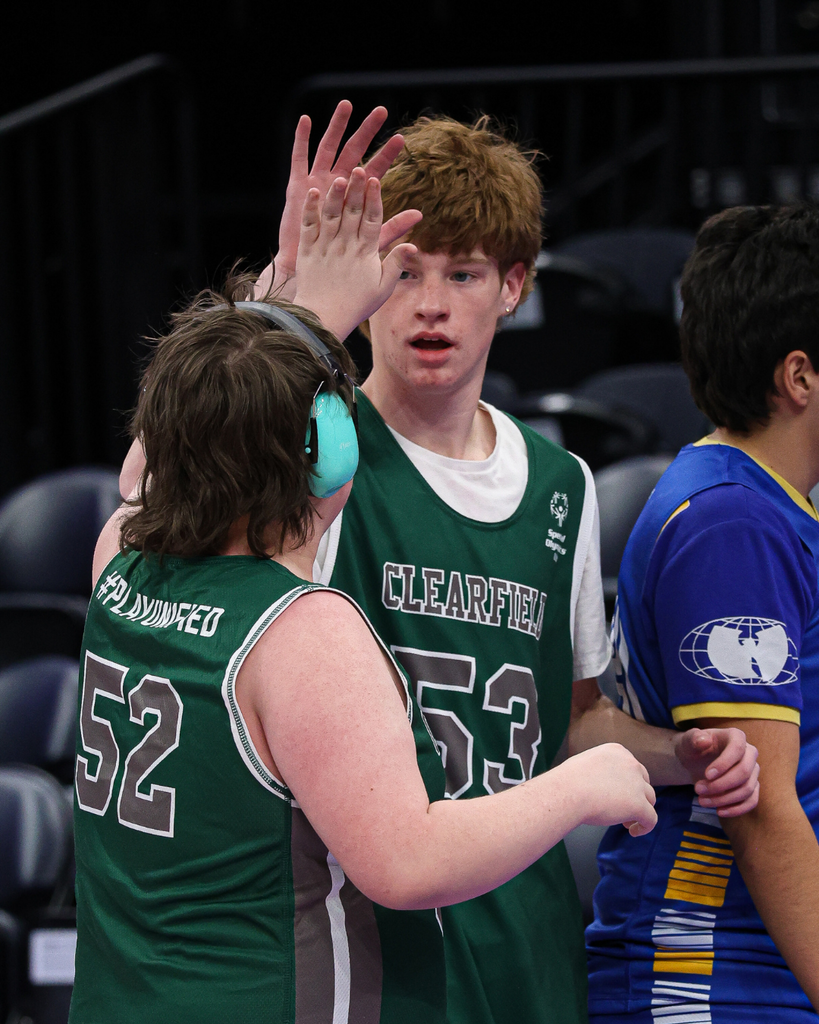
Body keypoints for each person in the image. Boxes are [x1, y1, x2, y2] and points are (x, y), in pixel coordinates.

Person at [72, 162, 660, 1024]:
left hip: (124, 995)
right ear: (325, 450)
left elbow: (154, 460)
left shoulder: (119, 559)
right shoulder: (301, 628)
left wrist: (285, 299)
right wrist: (584, 786)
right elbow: (405, 862)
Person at [246, 104, 761, 1024]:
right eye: (402, 271)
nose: (430, 302)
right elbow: (160, 491)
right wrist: (286, 306)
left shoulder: (561, 483)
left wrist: (676, 754)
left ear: (514, 285)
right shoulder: (310, 455)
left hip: (524, 936)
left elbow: (571, 726)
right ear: (363, 283)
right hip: (368, 929)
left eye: (464, 272)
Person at [586, 203, 819, 1021]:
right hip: (712, 972)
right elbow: (760, 810)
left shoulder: (759, 508)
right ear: (798, 377)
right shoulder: (733, 523)